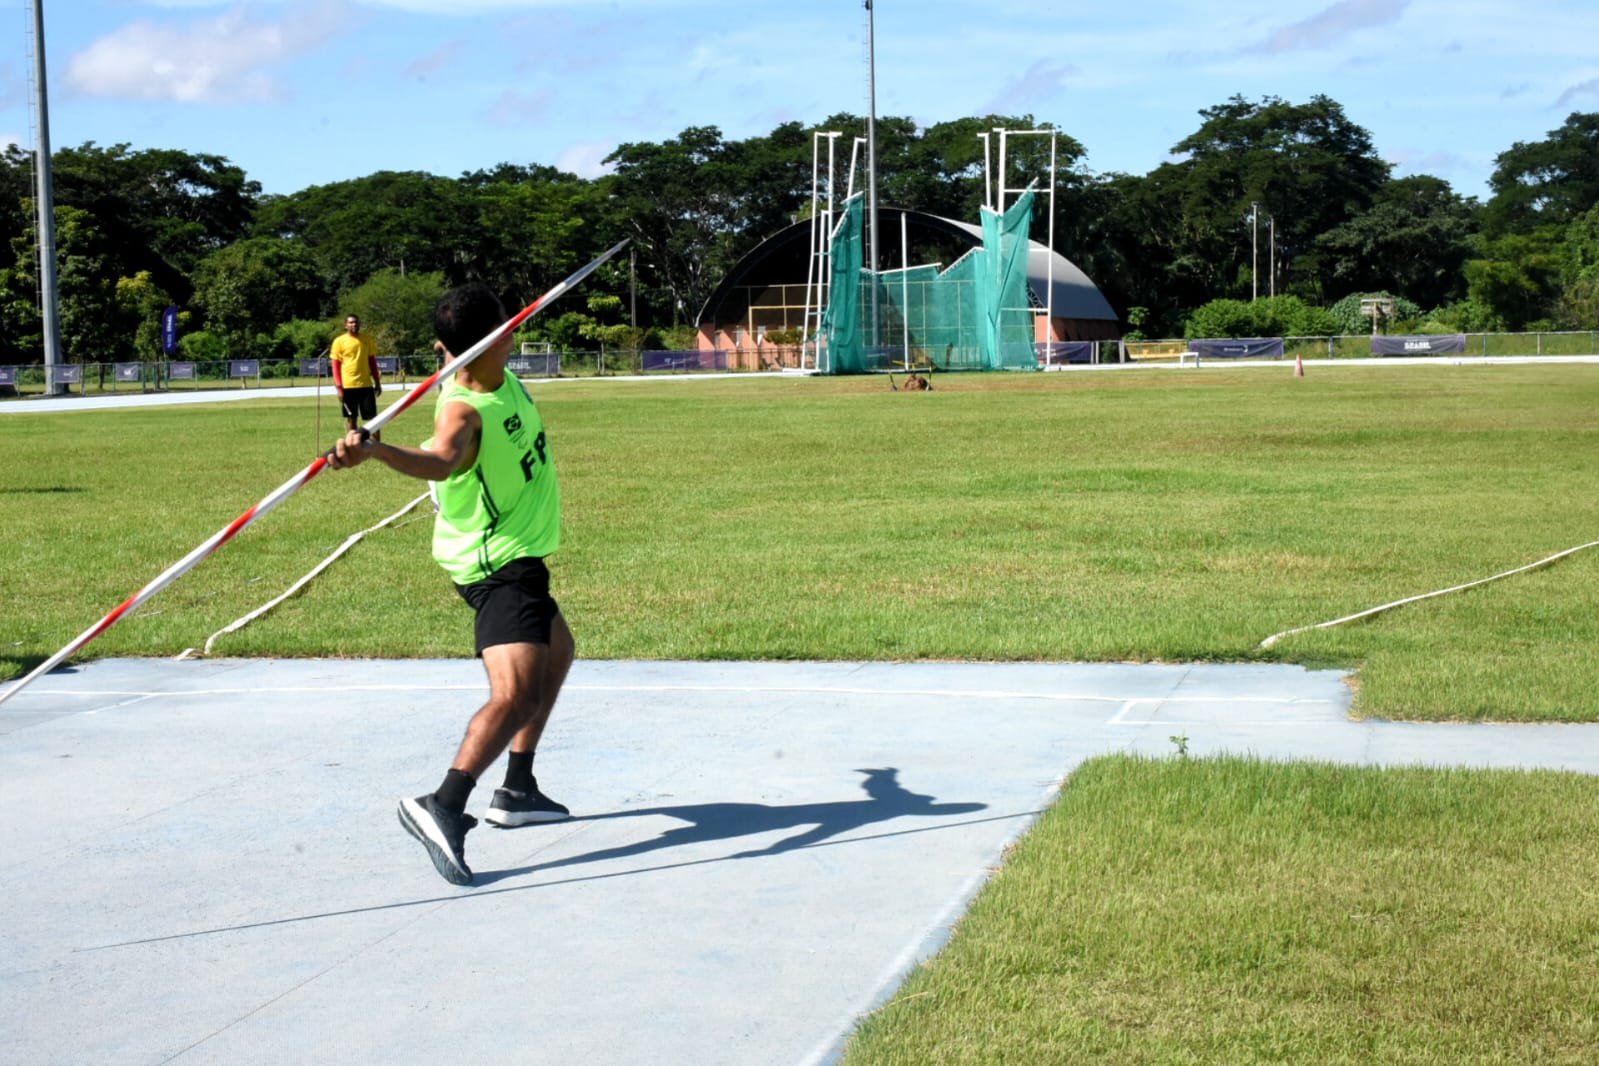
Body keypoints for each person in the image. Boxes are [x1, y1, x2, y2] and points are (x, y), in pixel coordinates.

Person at [328, 283, 573, 886]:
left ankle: (516, 790)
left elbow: (456, 348)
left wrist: (450, 346)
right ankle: (444, 804)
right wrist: (376, 453)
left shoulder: (484, 369)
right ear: (504, 333)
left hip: (520, 556)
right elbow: (440, 459)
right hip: (496, 562)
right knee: (515, 692)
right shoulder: (463, 407)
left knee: (557, 652)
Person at [331, 314, 383, 442]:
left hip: (365, 385)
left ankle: (378, 447)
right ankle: (354, 446)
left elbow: (372, 362)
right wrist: (339, 387)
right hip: (348, 386)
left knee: (373, 419)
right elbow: (335, 366)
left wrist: (377, 382)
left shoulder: (367, 340)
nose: (354, 325)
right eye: (351, 322)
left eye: (356, 322)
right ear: (346, 325)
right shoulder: (339, 341)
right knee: (351, 418)